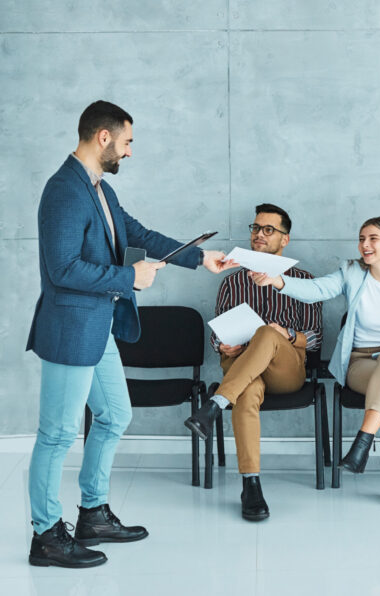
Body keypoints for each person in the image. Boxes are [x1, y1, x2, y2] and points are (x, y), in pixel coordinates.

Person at [26, 101, 235, 568]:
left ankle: (93, 513)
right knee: (57, 435)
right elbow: (62, 269)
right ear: (103, 138)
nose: (130, 152)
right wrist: (128, 278)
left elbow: (136, 232)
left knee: (115, 415)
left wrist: (200, 258)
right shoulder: (64, 190)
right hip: (69, 330)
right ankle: (45, 535)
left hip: (97, 329)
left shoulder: (98, 188)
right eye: (127, 142)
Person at [251, 216, 380, 509]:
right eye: (361, 238)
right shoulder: (351, 271)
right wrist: (277, 281)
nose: (364, 245)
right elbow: (317, 290)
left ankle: (363, 439)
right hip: (362, 362)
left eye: (373, 238)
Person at [185, 203, 322, 521]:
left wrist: (284, 334)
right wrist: (224, 345)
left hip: (287, 370)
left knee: (267, 333)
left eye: (269, 229)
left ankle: (214, 405)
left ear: (285, 240)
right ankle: (251, 485)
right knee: (245, 393)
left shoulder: (303, 280)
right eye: (256, 228)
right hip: (242, 368)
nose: (259, 234)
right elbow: (216, 337)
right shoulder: (232, 283)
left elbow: (315, 338)